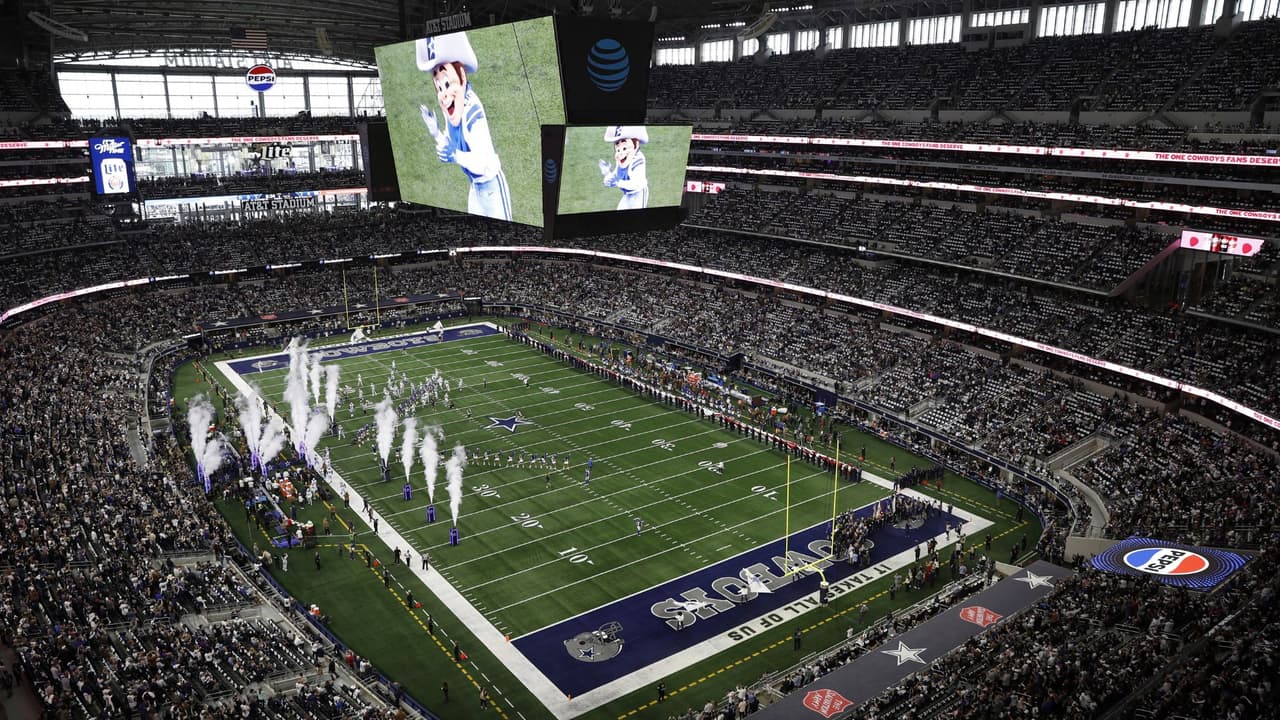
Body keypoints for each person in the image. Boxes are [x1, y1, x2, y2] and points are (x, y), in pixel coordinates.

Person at [417, 32, 512, 220]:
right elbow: (450, 144)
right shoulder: (453, 110)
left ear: (461, 76)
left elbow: (481, 163)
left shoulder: (473, 113)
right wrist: (435, 132)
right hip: (475, 187)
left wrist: (455, 155)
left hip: (491, 186)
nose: (443, 94)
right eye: (439, 87)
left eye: (446, 84)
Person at [599, 126, 650, 210]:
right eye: (618, 148)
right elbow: (617, 175)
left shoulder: (638, 160)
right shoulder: (622, 157)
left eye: (624, 147)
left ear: (635, 144)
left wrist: (618, 182)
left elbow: (636, 184)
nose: (620, 152)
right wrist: (607, 175)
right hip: (628, 194)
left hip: (638, 194)